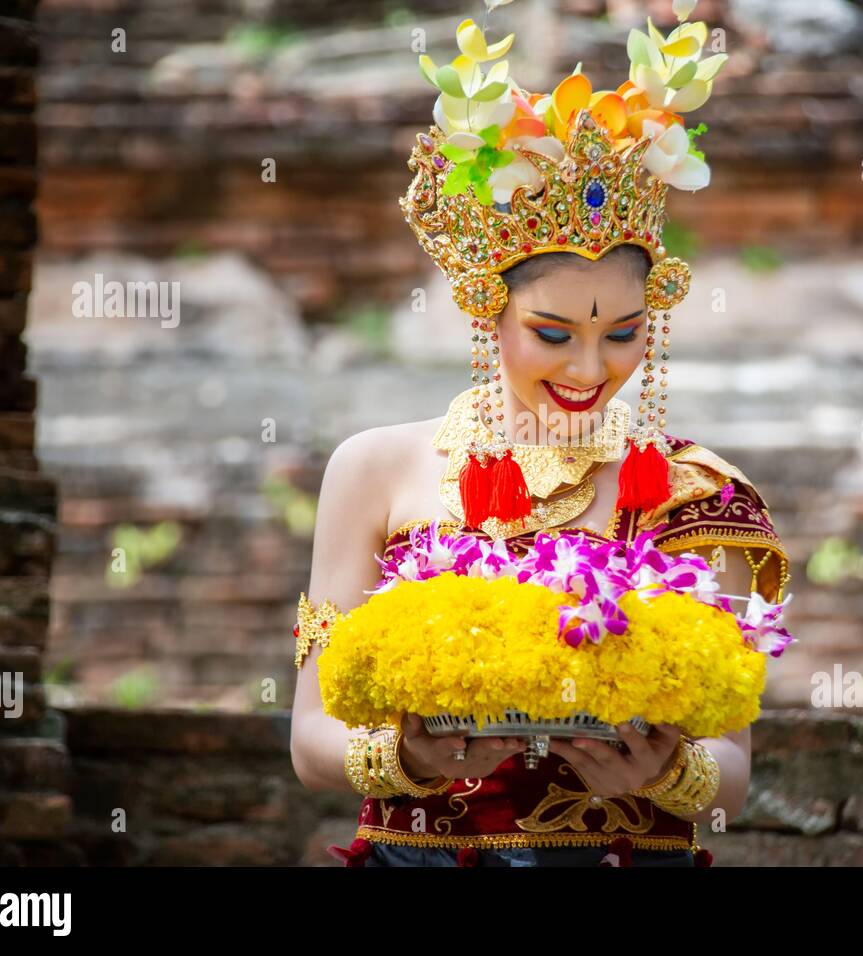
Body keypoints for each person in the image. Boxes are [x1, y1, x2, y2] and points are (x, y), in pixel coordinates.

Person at [289, 1, 789, 867]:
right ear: (489, 310)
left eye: (625, 332)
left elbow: (736, 767)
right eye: (554, 334)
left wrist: (668, 775)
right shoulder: (374, 470)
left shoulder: (704, 494)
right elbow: (310, 739)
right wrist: (404, 759)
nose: (591, 368)